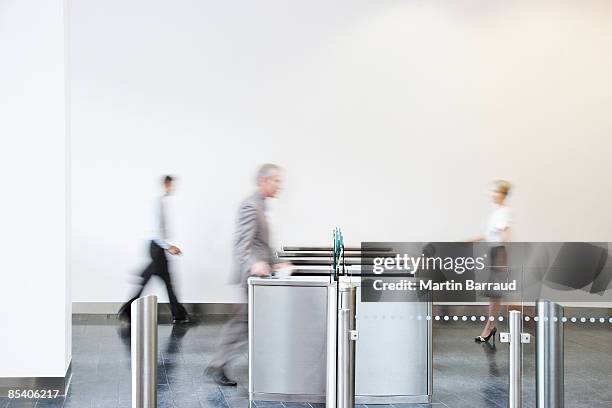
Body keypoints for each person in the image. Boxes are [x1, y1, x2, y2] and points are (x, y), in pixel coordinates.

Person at [205, 163, 290, 386]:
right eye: (276, 181)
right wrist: (255, 264)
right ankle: (218, 365)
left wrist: (277, 262)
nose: (280, 185)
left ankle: (262, 365)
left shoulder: (262, 205)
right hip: (250, 276)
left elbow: (263, 244)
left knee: (253, 322)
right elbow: (243, 245)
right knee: (243, 322)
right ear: (263, 181)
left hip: (261, 274)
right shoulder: (251, 206)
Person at [117, 175, 190, 324]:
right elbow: (156, 231)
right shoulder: (158, 202)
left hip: (158, 248)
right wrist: (169, 247)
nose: (173, 188)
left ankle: (178, 314)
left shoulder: (162, 201)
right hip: (157, 247)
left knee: (164, 281)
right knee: (162, 281)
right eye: (171, 185)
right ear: (167, 184)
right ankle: (127, 311)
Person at [469, 179, 512, 343]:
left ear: (503, 194)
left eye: (496, 191)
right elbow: (488, 235)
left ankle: (490, 327)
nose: (492, 194)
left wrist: (503, 257)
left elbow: (506, 234)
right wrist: (469, 240)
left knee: (497, 293)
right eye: (492, 191)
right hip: (494, 252)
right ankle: (490, 326)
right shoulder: (496, 212)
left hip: (499, 253)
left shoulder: (504, 212)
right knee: (494, 294)